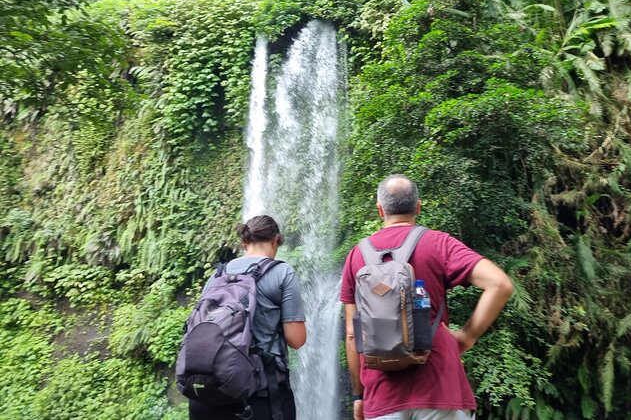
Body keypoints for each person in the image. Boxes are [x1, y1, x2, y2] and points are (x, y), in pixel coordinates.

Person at [341, 174, 513, 420]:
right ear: (418, 207)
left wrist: (359, 396)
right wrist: (467, 336)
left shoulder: (356, 256)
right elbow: (500, 284)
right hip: (440, 385)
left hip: (382, 393)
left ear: (380, 210)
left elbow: (351, 334)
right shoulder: (438, 243)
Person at [189, 215, 307, 420]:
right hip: (259, 396)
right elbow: (296, 339)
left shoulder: (217, 276)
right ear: (275, 241)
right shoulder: (281, 272)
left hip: (208, 393)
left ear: (244, 242)